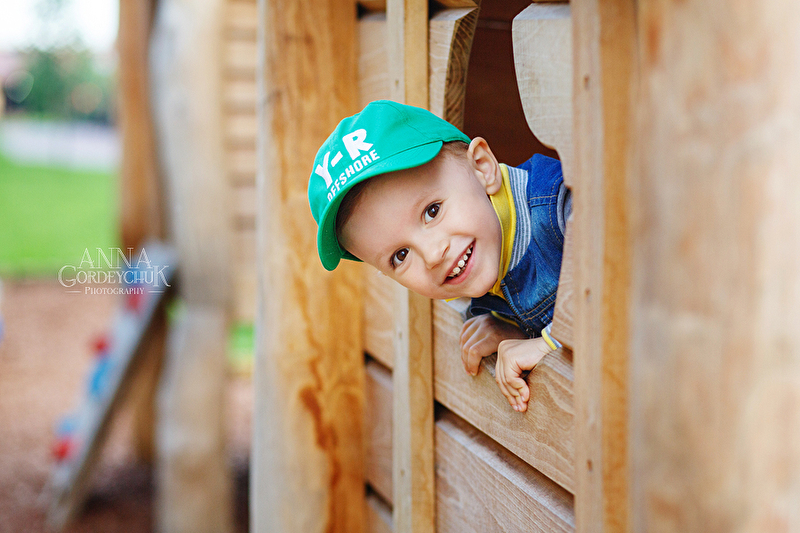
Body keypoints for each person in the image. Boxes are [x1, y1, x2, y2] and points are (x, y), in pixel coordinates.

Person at [307, 100, 570, 413]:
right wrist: (514, 327)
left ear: (482, 168)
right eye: (400, 256)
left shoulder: (561, 208)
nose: (432, 255)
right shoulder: (473, 264)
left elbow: (618, 280)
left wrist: (552, 342)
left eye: (432, 211)